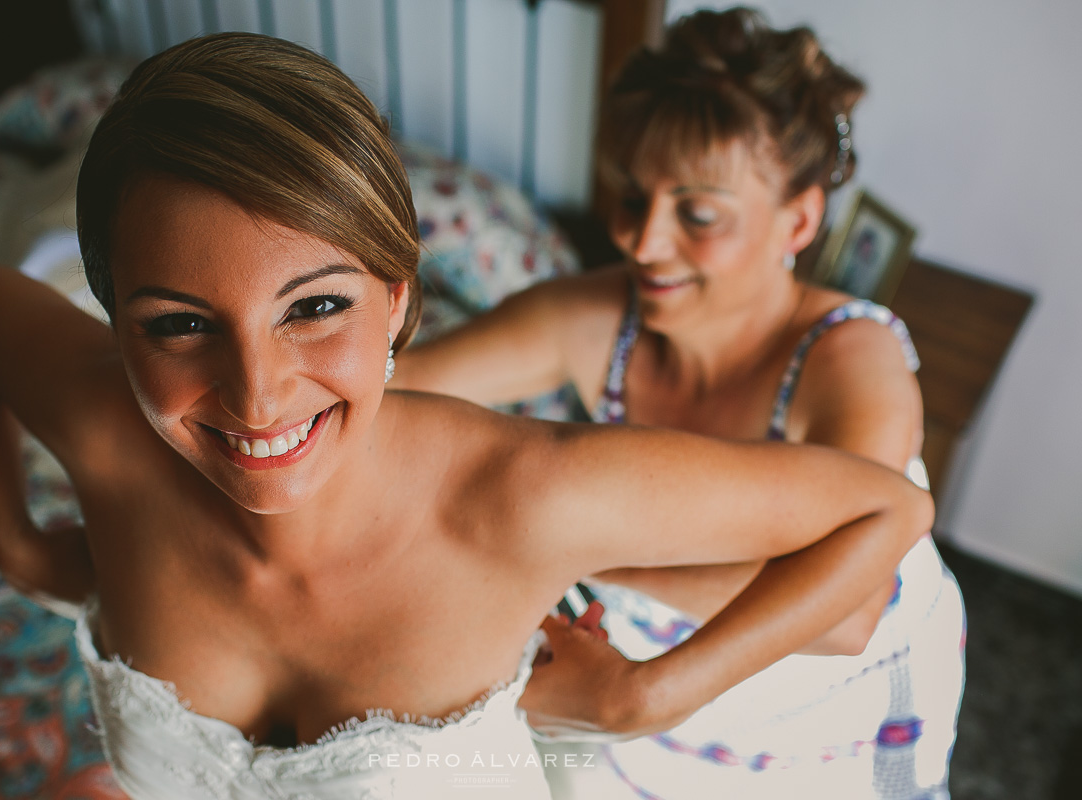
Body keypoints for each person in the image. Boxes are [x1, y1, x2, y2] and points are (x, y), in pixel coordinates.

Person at [0, 32, 933, 800]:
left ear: (398, 296)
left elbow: (879, 523)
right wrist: (12, 542)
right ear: (115, 321)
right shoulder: (105, 428)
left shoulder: (547, 490)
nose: (259, 391)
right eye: (180, 322)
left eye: (316, 306)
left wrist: (641, 690)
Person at [392, 7, 965, 799]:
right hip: (671, 691)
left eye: (697, 214)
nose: (643, 241)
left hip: (831, 698)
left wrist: (570, 547)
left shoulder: (850, 359)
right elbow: (392, 387)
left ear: (797, 219)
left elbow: (845, 615)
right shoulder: (594, 319)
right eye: (633, 196)